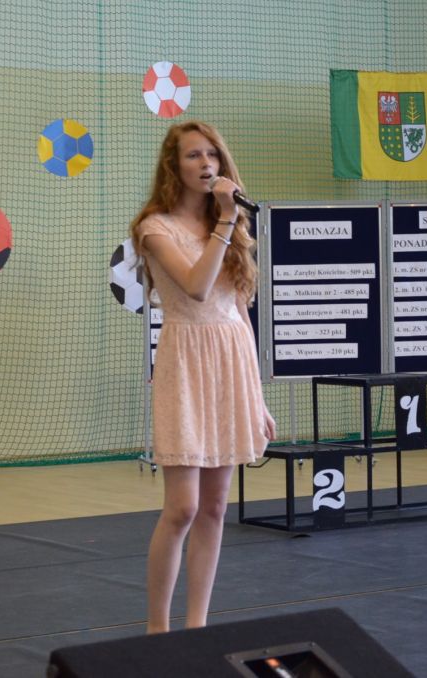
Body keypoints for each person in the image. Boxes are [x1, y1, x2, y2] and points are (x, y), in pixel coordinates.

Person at [131, 121, 276, 633]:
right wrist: (226, 220)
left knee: (214, 507)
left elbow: (238, 313)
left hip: (230, 363)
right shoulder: (155, 228)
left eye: (212, 155)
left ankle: (197, 626)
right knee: (183, 507)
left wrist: (256, 398)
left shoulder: (228, 227)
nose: (207, 164)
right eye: (194, 155)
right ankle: (158, 628)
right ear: (174, 166)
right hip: (186, 362)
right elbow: (195, 287)